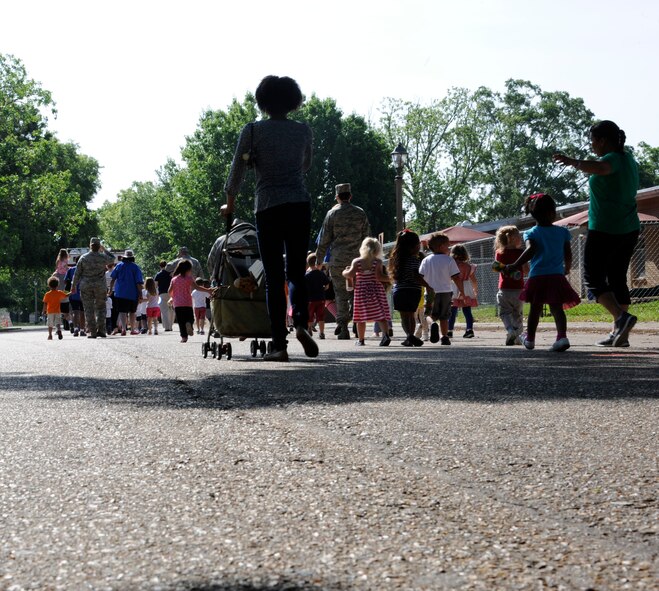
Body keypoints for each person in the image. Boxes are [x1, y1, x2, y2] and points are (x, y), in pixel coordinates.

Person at [223, 74, 318, 362]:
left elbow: (236, 173)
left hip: (267, 206)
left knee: (273, 276)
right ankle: (300, 321)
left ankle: (279, 344)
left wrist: (229, 205)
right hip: (299, 203)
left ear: (262, 101)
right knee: (297, 272)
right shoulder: (303, 131)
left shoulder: (252, 130)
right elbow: (305, 164)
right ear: (293, 101)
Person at [553, 120, 639, 347]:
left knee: (592, 278)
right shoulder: (629, 159)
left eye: (592, 141)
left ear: (602, 141)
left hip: (606, 228)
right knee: (618, 277)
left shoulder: (611, 160)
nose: (591, 146)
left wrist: (573, 162)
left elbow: (602, 168)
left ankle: (622, 318)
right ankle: (619, 334)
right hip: (629, 228)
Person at [506, 193, 581, 352]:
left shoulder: (532, 233)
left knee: (535, 308)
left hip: (538, 276)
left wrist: (515, 264)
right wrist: (567, 267)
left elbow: (531, 250)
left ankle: (530, 339)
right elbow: (568, 253)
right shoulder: (562, 232)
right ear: (553, 212)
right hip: (556, 275)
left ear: (533, 215)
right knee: (556, 308)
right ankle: (562, 337)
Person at [315, 183, 371, 339]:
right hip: (357, 259)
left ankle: (343, 326)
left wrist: (318, 260)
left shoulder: (332, 214)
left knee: (340, 294)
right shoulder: (360, 213)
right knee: (357, 292)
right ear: (350, 196)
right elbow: (367, 237)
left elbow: (324, 240)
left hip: (338, 260)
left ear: (337, 197)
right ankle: (356, 322)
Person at [342, 237, 391, 346]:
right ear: (377, 250)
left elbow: (350, 274)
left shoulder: (357, 261)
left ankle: (361, 340)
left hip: (361, 292)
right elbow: (379, 277)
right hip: (376, 290)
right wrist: (390, 278)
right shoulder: (377, 262)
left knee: (360, 317)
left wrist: (344, 272)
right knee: (380, 315)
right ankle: (385, 335)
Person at [419, 233, 465, 346]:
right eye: (447, 245)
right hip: (446, 292)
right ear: (440, 246)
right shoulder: (449, 260)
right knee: (444, 316)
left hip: (431, 292)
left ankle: (433, 324)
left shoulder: (426, 260)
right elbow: (456, 278)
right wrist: (462, 292)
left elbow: (420, 276)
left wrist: (426, 286)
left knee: (429, 315)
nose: (449, 248)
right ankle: (444, 337)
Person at [389, 230, 427, 347]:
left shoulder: (396, 260)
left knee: (404, 316)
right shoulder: (414, 260)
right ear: (413, 246)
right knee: (411, 315)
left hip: (400, 291)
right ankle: (410, 336)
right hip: (414, 291)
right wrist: (427, 285)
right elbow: (416, 275)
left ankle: (409, 336)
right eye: (418, 244)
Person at [72, 238, 115, 338]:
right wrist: (104, 249)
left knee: (88, 309)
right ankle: (101, 330)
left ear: (90, 245)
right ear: (99, 246)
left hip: (86, 286)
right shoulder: (103, 257)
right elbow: (112, 258)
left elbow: (77, 273)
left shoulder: (83, 258)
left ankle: (93, 332)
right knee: (101, 308)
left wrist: (73, 286)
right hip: (100, 286)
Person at [494, 225, 527, 346]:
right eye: (519, 236)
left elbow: (496, 267)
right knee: (517, 313)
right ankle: (517, 337)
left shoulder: (499, 252)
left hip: (504, 289)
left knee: (504, 313)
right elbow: (526, 270)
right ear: (513, 238)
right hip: (518, 288)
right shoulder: (521, 252)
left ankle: (510, 330)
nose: (521, 238)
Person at [168, 260, 213, 343]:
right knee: (190, 317)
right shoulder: (189, 279)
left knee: (181, 321)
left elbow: (169, 291)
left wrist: (172, 297)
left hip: (177, 304)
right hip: (187, 303)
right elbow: (197, 287)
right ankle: (189, 324)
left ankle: (184, 337)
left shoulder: (174, 279)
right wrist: (208, 290)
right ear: (188, 270)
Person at [109, 249, 144, 336]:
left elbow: (112, 279)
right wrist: (140, 294)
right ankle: (132, 329)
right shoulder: (135, 267)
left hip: (120, 293)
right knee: (132, 312)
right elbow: (138, 282)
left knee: (122, 311)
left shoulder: (119, 266)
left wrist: (110, 290)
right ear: (132, 258)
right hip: (132, 293)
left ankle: (124, 329)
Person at [447, 244, 478, 339]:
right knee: (467, 310)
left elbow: (449, 277)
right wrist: (475, 289)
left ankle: (449, 330)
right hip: (466, 287)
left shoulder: (451, 265)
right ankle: (469, 330)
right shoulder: (469, 266)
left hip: (454, 287)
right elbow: (474, 280)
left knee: (452, 310)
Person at [305, 253, 330, 340]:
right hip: (321, 298)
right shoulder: (321, 274)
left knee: (309, 315)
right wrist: (323, 289)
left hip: (310, 299)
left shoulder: (306, 275)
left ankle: (309, 329)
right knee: (321, 316)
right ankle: (322, 333)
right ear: (317, 262)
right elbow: (327, 285)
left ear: (308, 263)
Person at [64, 258, 85, 337]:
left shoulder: (71, 270)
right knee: (83, 313)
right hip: (84, 294)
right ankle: (82, 330)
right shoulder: (85, 270)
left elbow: (65, 281)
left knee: (75, 312)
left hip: (73, 294)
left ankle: (76, 329)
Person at [154, 260, 173, 331]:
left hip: (162, 294)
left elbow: (155, 285)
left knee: (164, 311)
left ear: (160, 266)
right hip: (170, 294)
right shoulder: (170, 274)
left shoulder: (158, 275)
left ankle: (167, 327)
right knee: (171, 310)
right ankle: (170, 326)